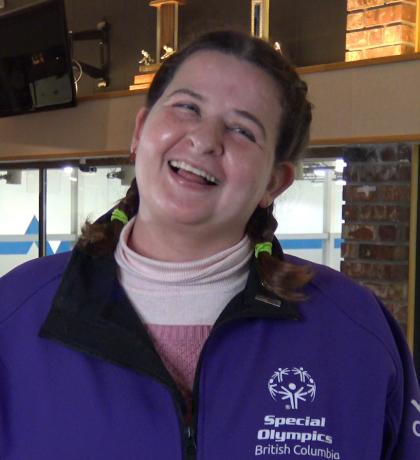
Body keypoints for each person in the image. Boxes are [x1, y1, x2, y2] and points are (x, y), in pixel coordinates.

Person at [0, 30, 419, 460]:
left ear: (274, 182)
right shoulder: (12, 316)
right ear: (140, 131)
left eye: (242, 129)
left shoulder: (354, 334)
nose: (204, 140)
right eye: (187, 107)